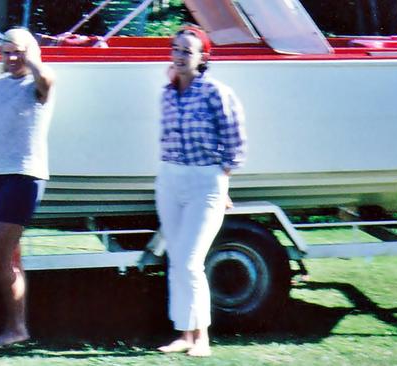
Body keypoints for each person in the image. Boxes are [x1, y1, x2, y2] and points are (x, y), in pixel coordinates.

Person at [155, 25, 246, 357]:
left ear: (203, 57)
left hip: (205, 182)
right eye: (175, 49)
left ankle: (202, 337)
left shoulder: (216, 92)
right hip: (169, 179)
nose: (179, 56)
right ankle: (183, 333)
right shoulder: (166, 93)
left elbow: (234, 144)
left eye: (187, 51)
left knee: (191, 262)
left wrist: (223, 184)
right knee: (176, 260)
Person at [0, 28, 54, 347]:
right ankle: (17, 325)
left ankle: (16, 328)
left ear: (31, 52)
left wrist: (31, 59)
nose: (12, 57)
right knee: (11, 258)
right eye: (6, 52)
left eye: (18, 51)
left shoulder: (38, 84)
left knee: (1, 258)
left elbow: (46, 79)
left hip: (23, 176)